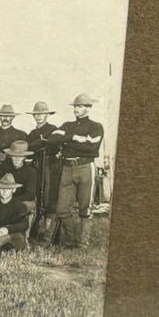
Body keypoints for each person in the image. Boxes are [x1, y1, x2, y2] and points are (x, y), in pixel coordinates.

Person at [44, 93, 105, 247]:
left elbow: (91, 149)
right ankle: (71, 241)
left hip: (85, 167)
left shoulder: (96, 126)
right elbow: (52, 138)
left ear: (88, 108)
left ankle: (83, 244)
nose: (76, 109)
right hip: (66, 168)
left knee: (85, 208)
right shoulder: (67, 125)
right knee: (62, 209)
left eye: (80, 106)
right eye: (75, 106)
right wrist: (74, 138)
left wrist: (66, 141)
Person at [26, 101, 62, 242]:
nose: (39, 117)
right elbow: (29, 149)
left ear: (47, 115)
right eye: (36, 114)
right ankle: (37, 231)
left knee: (50, 198)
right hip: (36, 167)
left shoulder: (53, 129)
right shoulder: (32, 133)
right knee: (38, 198)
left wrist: (40, 143)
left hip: (50, 167)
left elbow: (56, 145)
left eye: (42, 114)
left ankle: (49, 235)